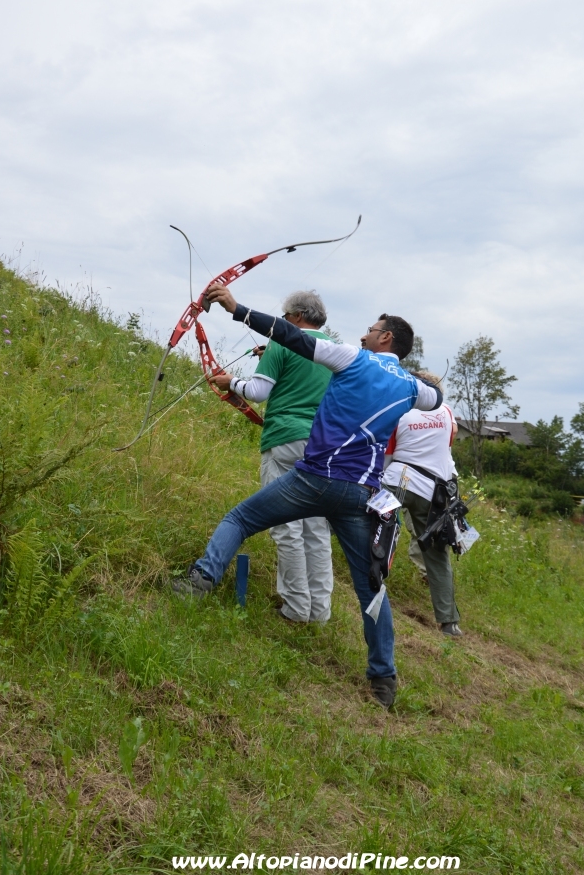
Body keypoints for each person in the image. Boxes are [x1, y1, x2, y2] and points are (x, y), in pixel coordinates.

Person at [172, 288, 442, 708]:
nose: (365, 333)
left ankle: (200, 582)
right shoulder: (411, 388)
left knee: (240, 520)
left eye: (372, 329)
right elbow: (436, 398)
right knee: (371, 590)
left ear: (386, 339)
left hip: (313, 479)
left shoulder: (352, 356)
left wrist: (235, 309)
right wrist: (417, 378)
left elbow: (289, 335)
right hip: (360, 496)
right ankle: (383, 680)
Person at [211, 290, 334, 624]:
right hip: (323, 447)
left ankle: (295, 610)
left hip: (285, 441)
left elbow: (258, 392)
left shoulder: (282, 343)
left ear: (294, 317)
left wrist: (228, 381)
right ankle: (319, 615)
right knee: (317, 530)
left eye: (284, 317)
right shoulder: (334, 350)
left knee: (286, 526)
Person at [382, 372, 463, 636]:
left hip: (399, 480)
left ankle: (369, 579)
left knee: (368, 522)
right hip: (433, 493)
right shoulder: (447, 412)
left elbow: (388, 455)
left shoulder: (399, 411)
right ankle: (449, 622)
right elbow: (447, 446)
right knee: (437, 556)